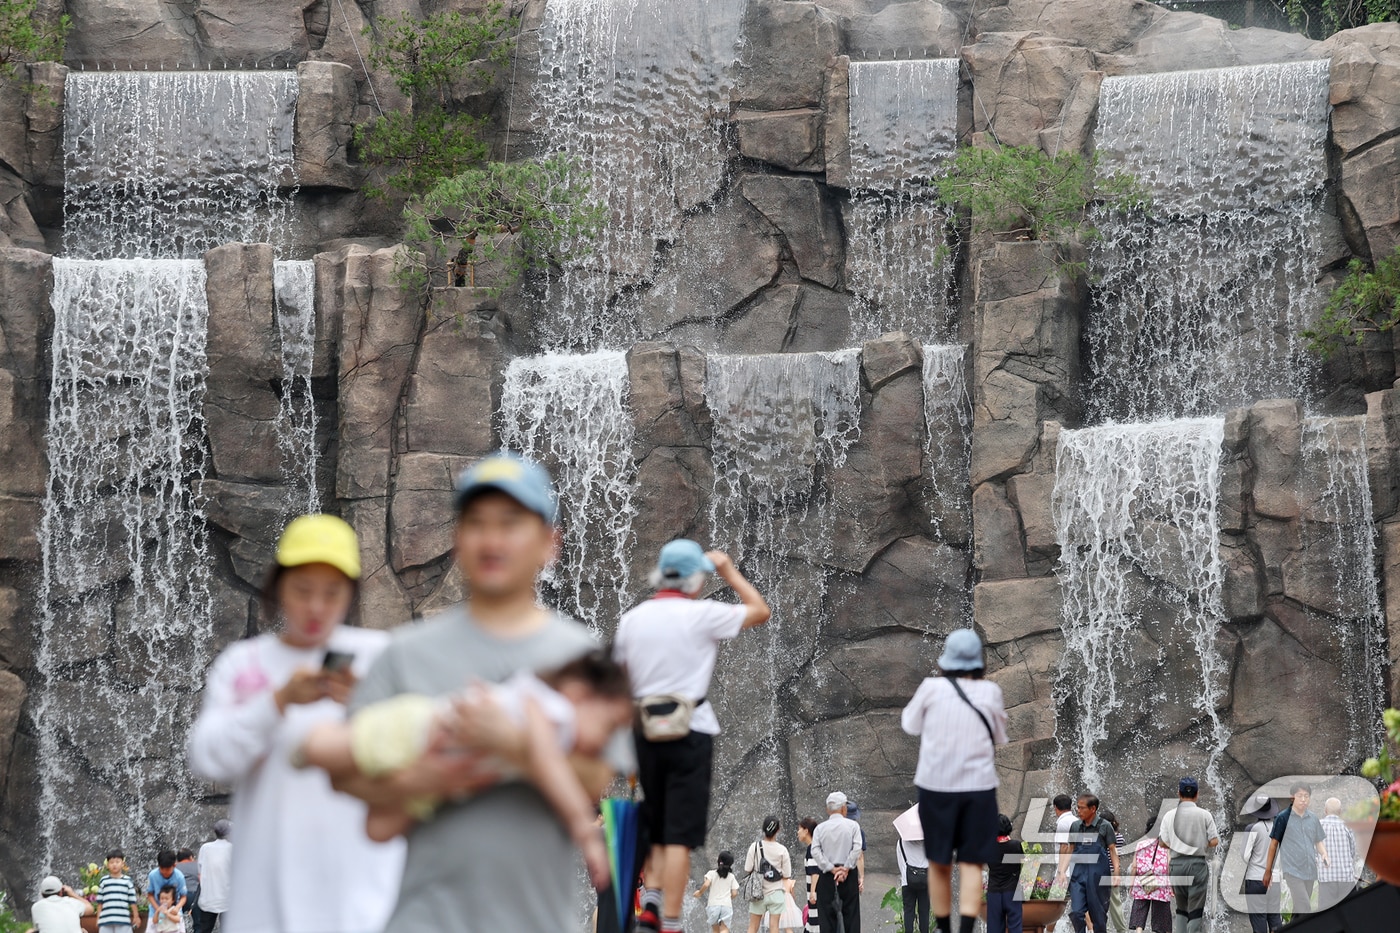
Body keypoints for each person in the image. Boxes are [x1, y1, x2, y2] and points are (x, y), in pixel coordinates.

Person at [322, 453, 629, 933]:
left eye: (511, 523)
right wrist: (431, 778)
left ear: (551, 544)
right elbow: (346, 778)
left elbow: (594, 778)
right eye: (477, 523)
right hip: (422, 919)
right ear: (456, 539)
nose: (492, 539)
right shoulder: (403, 653)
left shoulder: (582, 656)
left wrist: (509, 743)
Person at [186, 514, 405, 933]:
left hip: (363, 903)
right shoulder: (243, 662)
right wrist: (279, 702)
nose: (317, 606)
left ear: (353, 594)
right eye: (303, 590)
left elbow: (418, 754)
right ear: (277, 586)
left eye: (332, 592)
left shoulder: (380, 657)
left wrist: (363, 706)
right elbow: (208, 758)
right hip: (265, 906)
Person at [298, 649, 634, 885]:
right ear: (577, 694)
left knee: (378, 829)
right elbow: (548, 766)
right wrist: (584, 832)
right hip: (417, 729)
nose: (605, 740)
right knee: (323, 751)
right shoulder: (550, 708)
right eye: (607, 726)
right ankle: (310, 738)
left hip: (447, 771)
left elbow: (583, 776)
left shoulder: (566, 735)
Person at [614, 537, 771, 933]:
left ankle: (647, 903)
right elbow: (760, 611)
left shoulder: (633, 619)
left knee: (653, 814)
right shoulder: (702, 614)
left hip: (644, 731)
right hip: (691, 731)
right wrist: (728, 570)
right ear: (695, 579)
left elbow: (618, 681)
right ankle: (669, 919)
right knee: (678, 834)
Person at [901, 628, 1009, 933]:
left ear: (946, 660)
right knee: (972, 863)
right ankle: (966, 930)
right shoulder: (991, 692)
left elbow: (910, 724)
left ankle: (945, 929)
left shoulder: (930, 688)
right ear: (979, 661)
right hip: (979, 789)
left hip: (936, 788)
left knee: (938, 862)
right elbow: (999, 737)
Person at [1157, 777, 1219, 933]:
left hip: (1176, 865)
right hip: (1197, 865)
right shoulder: (1205, 815)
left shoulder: (1169, 815)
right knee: (1195, 909)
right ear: (1197, 794)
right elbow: (1214, 841)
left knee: (1181, 908)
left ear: (1179, 793)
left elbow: (1162, 843)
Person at [1055, 794, 1119, 933]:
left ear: (1093, 809)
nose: (1078, 810)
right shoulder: (1075, 826)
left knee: (1099, 918)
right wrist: (1061, 872)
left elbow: (1113, 851)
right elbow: (1070, 849)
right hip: (1078, 876)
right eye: (1077, 807)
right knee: (1077, 912)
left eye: (1082, 808)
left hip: (1098, 877)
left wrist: (1117, 873)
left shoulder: (1105, 826)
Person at [1262, 782, 1328, 916]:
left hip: (1310, 869)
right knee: (1304, 906)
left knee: (1298, 911)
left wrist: (1324, 854)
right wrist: (1268, 871)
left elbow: (1318, 841)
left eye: (1306, 796)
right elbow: (1273, 844)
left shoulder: (1313, 818)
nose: (1303, 799)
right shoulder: (1282, 818)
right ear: (1292, 798)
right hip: (1292, 870)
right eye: (1300, 796)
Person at [810, 792, 863, 933]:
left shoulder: (820, 829)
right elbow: (857, 848)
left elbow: (815, 851)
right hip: (849, 875)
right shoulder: (853, 826)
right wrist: (845, 868)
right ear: (844, 808)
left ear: (828, 809)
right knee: (851, 916)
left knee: (827, 918)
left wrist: (831, 868)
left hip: (827, 876)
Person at [1238, 795, 1281, 933]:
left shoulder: (1252, 828)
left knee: (1259, 919)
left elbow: (1245, 856)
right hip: (1275, 879)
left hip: (1256, 879)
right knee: (1274, 917)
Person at [744, 816, 793, 933]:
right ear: (778, 830)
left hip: (758, 893)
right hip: (776, 893)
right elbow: (787, 875)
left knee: (752, 927)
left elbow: (747, 869)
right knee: (774, 927)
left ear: (763, 829)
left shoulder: (754, 847)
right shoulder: (782, 850)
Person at [1127, 814, 1172, 933]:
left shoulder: (1140, 844)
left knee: (1140, 909)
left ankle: (1139, 931)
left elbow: (1134, 866)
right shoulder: (1166, 846)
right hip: (1161, 882)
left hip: (1143, 880)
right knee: (1160, 914)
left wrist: (1131, 884)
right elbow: (1169, 866)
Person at [1316, 797, 1357, 910]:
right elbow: (1352, 852)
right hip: (1346, 879)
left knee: (1326, 914)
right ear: (1340, 812)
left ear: (1325, 810)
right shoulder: (1348, 826)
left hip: (1326, 878)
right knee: (1349, 911)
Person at [984, 815, 1023, 933]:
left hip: (994, 891)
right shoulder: (1015, 845)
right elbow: (1022, 862)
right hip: (1012, 891)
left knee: (994, 928)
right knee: (1015, 926)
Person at [192, 820, 231, 933]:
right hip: (227, 898)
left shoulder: (205, 848)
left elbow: (200, 872)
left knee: (204, 930)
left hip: (208, 898)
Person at [94, 850, 139, 933]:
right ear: (107, 865)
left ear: (122, 864)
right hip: (106, 920)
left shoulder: (127, 881)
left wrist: (136, 916)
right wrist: (98, 918)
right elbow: (100, 902)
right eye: (111, 862)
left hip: (123, 919)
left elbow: (132, 901)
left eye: (117, 862)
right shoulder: (104, 881)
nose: (114, 864)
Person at [695, 852, 741, 933]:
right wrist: (728, 898)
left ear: (718, 861)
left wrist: (699, 893)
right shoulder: (731, 876)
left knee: (715, 930)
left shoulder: (711, 873)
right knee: (724, 929)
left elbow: (706, 884)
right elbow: (735, 893)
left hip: (713, 905)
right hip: (726, 906)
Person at [1101, 808, 1130, 933]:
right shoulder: (1119, 836)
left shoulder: (1104, 836)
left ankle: (1103, 928)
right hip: (1114, 871)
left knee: (1100, 903)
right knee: (1115, 901)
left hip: (1103, 871)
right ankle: (1121, 929)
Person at [896, 833, 930, 933]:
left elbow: (900, 863)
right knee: (924, 912)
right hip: (925, 882)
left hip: (907, 881)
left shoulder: (901, 842)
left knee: (908, 912)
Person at [146, 851, 187, 917]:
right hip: (155, 913)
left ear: (174, 865)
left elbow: (183, 897)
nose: (164, 872)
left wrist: (177, 908)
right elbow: (150, 895)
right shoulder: (152, 875)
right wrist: (158, 909)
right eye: (162, 869)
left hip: (174, 913)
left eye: (167, 869)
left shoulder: (179, 876)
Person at [798, 818, 821, 933]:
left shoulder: (812, 849)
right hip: (815, 897)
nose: (798, 832)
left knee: (815, 926)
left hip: (815, 896)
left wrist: (813, 892)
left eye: (799, 829)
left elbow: (815, 872)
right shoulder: (815, 847)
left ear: (806, 831)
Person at [173, 849, 198, 926]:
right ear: (191, 857)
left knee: (175, 922)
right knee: (199, 924)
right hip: (194, 896)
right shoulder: (198, 865)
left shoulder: (173, 867)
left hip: (178, 896)